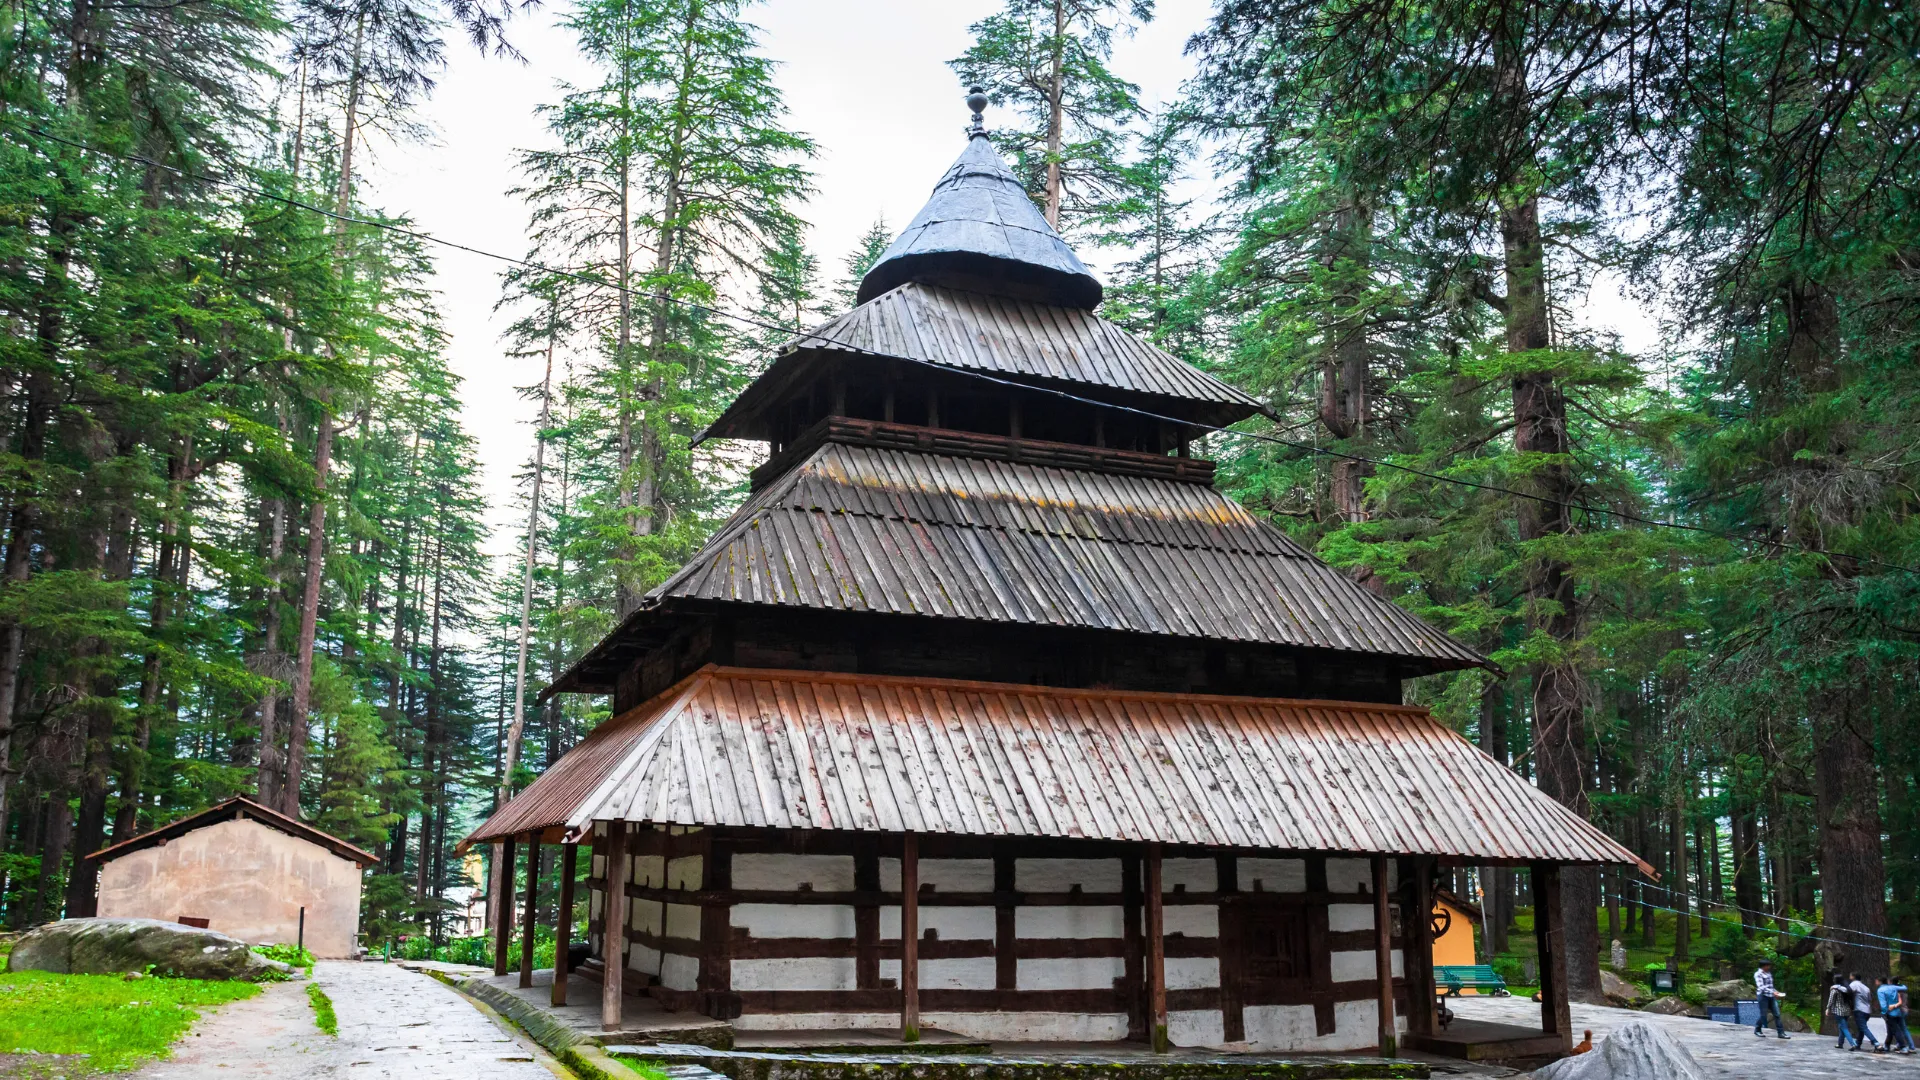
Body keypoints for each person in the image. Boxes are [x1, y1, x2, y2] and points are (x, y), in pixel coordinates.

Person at [1878, 976, 1915, 1054]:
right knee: (1895, 1029)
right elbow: (1905, 987)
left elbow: (1897, 1002)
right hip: (1901, 1011)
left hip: (1896, 1011)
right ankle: (1889, 1045)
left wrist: (1885, 1012)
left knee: (1898, 1029)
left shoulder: (1891, 990)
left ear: (1891, 982)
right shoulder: (1899, 989)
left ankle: (1904, 1046)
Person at [1848, 972, 1884, 1051]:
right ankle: (1858, 1044)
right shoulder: (1866, 987)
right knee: (1861, 1028)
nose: (1849, 977)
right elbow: (1869, 999)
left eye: (1850, 975)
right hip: (1867, 1010)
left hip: (1859, 1009)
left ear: (1853, 977)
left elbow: (1847, 991)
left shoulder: (1854, 984)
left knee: (1863, 1027)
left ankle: (1876, 1043)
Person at [1754, 959, 1789, 1038]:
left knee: (1777, 1014)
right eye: (1767, 965)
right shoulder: (1758, 974)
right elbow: (1761, 987)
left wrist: (1776, 992)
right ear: (1763, 966)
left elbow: (1770, 986)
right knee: (1764, 1015)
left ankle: (1781, 1033)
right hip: (1763, 997)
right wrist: (1773, 992)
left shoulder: (1768, 973)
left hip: (1771, 996)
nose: (1769, 967)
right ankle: (1757, 1030)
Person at [1831, 975, 1862, 1049]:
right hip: (1847, 1011)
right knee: (1841, 1027)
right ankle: (1840, 1043)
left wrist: (1828, 1009)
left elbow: (1831, 1000)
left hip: (1839, 1011)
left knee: (1844, 1028)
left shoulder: (1835, 989)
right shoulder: (1847, 989)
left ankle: (1853, 1044)